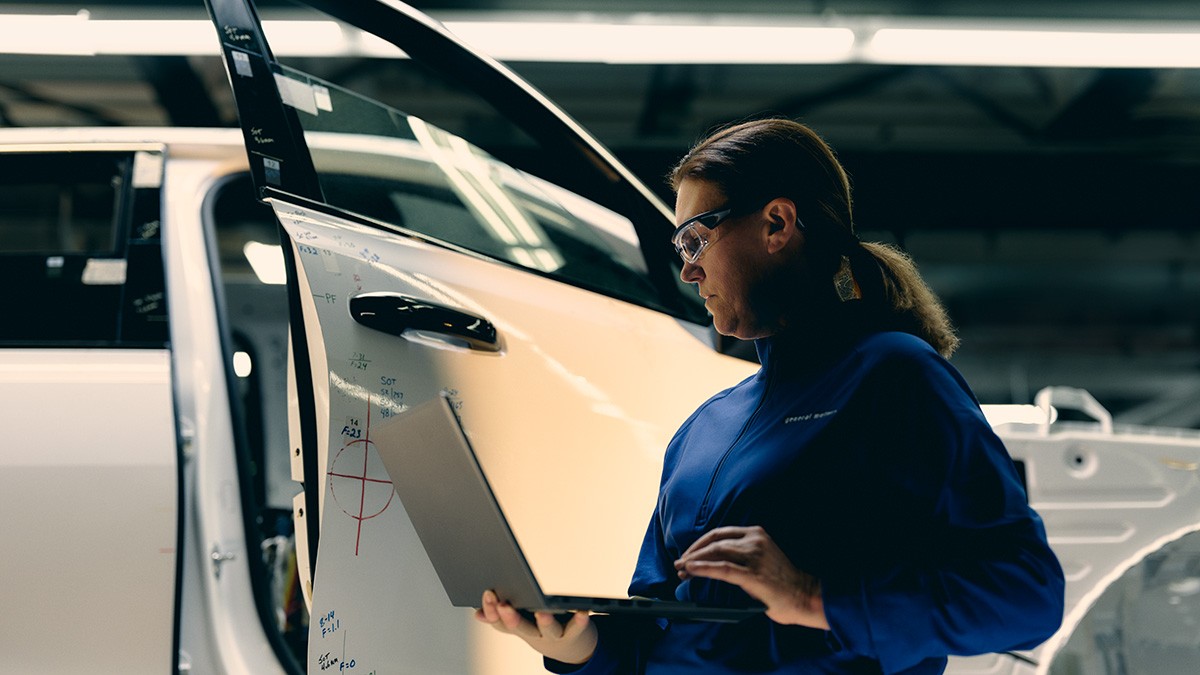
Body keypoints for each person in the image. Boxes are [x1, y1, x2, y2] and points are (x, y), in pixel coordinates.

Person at [475, 117, 1065, 674]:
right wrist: (575, 642)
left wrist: (813, 599)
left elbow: (1027, 595)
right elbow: (659, 635)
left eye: (695, 240)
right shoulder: (704, 427)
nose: (688, 272)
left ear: (777, 224)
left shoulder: (896, 379)